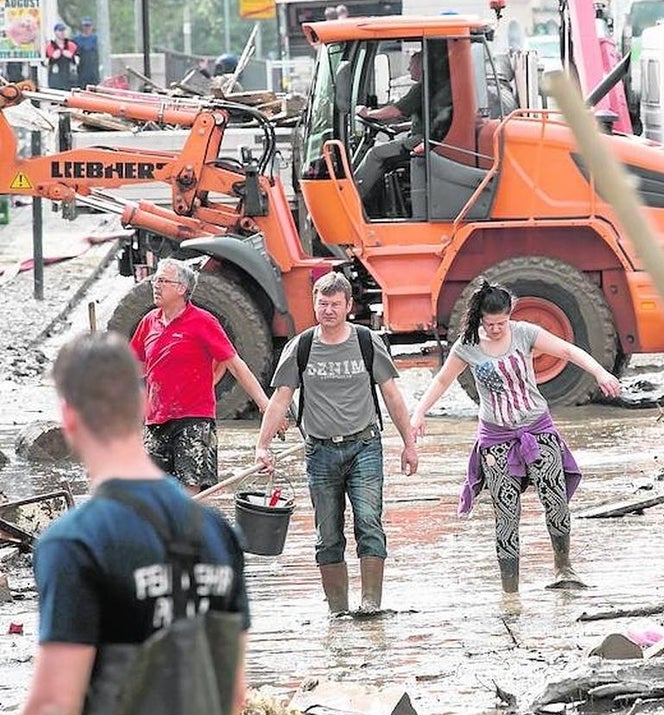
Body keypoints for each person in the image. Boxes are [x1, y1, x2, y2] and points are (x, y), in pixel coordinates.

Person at [13, 332, 249, 715]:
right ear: (143, 405)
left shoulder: (73, 543)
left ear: (68, 418)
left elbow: (53, 709)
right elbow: (231, 695)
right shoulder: (218, 533)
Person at [410, 281, 622, 594]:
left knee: (555, 498)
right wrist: (419, 412)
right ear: (480, 318)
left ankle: (563, 566)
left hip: (536, 427)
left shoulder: (523, 333)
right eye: (490, 324)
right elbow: (443, 380)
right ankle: (510, 591)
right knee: (506, 511)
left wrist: (600, 373)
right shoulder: (467, 345)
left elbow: (567, 350)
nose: (497, 329)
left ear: (510, 316)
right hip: (496, 437)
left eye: (502, 322)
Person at [254, 272, 418, 618]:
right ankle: (338, 613)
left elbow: (391, 395)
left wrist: (408, 444)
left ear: (348, 306)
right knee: (327, 534)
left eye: (335, 304)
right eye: (322, 303)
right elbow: (281, 399)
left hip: (364, 447)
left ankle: (371, 605)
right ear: (314, 304)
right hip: (320, 452)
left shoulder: (365, 341)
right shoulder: (301, 346)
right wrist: (262, 445)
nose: (328, 310)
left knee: (369, 523)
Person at [128, 258, 275, 493]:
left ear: (181, 289)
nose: (156, 285)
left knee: (190, 492)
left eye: (163, 281)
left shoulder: (203, 322)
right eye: (155, 280)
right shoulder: (149, 322)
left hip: (193, 418)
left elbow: (235, 365)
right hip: (156, 418)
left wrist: (265, 404)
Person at [354, 50, 453, 202]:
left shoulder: (421, 88)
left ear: (422, 65)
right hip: (426, 137)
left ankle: (352, 196)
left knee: (375, 153)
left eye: (411, 64)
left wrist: (368, 114)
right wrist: (402, 127)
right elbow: (427, 119)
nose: (408, 69)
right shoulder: (433, 87)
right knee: (384, 150)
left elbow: (395, 111)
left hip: (423, 140)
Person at [44, 22, 78, 91]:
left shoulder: (71, 45)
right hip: (55, 79)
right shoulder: (49, 46)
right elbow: (44, 62)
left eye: (63, 30)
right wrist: (53, 58)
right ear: (55, 32)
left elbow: (78, 61)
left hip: (69, 78)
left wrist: (71, 57)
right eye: (60, 31)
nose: (62, 33)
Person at [74, 17, 99, 88]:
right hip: (82, 71)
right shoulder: (76, 39)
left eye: (89, 26)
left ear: (92, 27)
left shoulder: (96, 38)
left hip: (94, 71)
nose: (87, 28)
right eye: (85, 26)